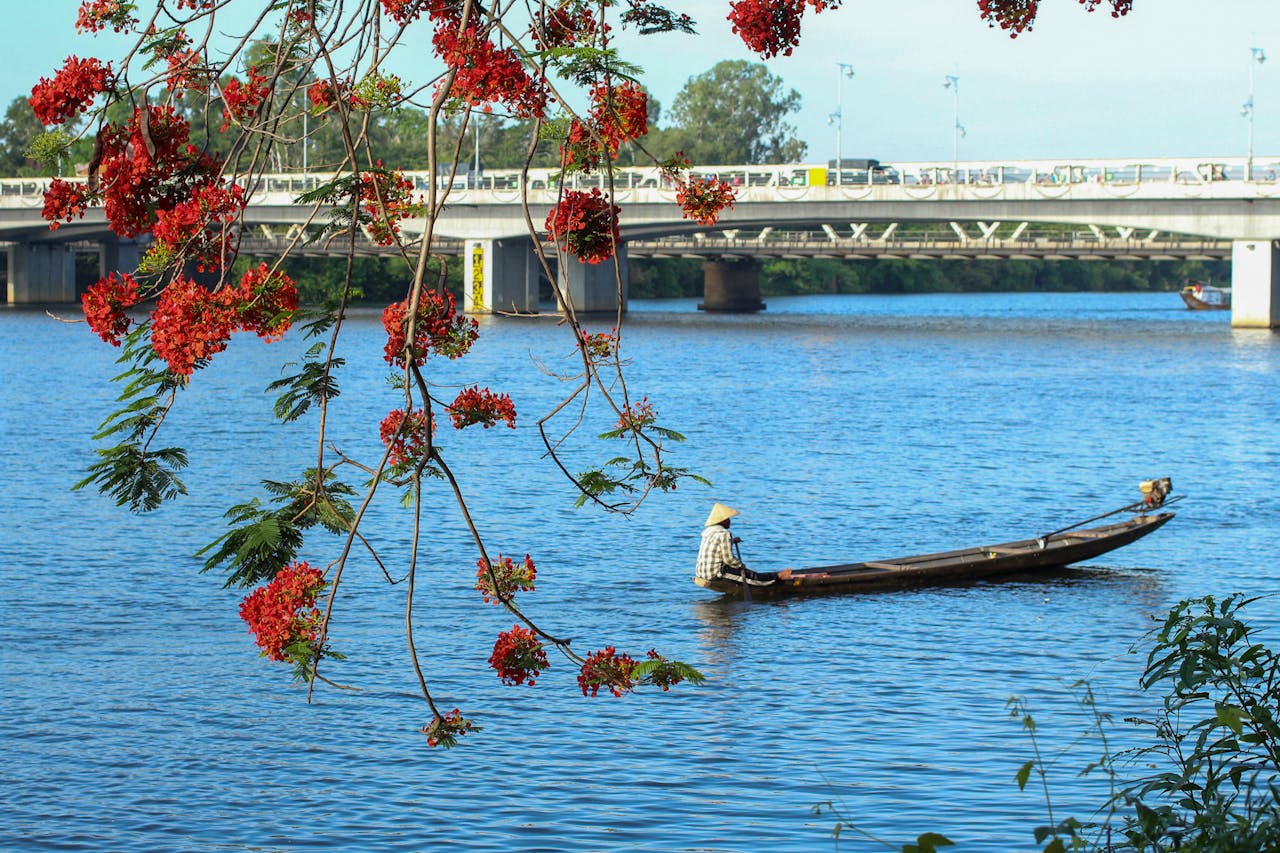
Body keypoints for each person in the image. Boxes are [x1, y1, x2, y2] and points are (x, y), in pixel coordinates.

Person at [694, 502, 791, 586]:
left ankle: (773, 576)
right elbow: (729, 559)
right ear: (723, 521)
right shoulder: (724, 533)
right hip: (716, 573)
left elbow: (715, 545)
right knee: (752, 576)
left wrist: (731, 541)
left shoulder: (708, 532)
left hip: (702, 572)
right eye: (728, 519)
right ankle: (776, 577)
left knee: (743, 572)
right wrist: (741, 565)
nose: (730, 522)